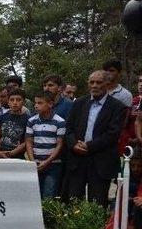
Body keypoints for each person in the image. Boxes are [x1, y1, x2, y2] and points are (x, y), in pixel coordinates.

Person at [64, 70, 126, 207]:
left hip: (101, 160)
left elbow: (113, 134)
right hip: (77, 159)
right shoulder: (79, 103)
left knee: (97, 204)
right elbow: (68, 129)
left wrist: (89, 146)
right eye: (92, 82)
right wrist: (74, 144)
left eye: (99, 82)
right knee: (73, 202)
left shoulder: (117, 107)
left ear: (107, 84)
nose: (95, 85)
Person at [25, 91, 66, 198]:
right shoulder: (31, 121)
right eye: (35, 103)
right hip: (36, 163)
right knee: (35, 194)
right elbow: (29, 141)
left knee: (49, 194)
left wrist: (47, 161)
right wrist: (32, 160)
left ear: (50, 104)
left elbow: (59, 145)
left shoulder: (60, 122)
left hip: (53, 165)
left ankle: (47, 215)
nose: (36, 106)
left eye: (40, 103)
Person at [0, 88, 29, 159]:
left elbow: (27, 141)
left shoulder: (28, 120)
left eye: (18, 100)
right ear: (8, 102)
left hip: (18, 157)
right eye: (12, 100)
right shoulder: (1, 117)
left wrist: (13, 152)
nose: (15, 102)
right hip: (0, 155)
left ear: (24, 102)